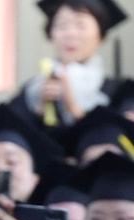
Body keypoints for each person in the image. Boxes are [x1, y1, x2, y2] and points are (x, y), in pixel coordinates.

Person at [21, 0, 126, 129]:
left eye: (81, 26)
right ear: (50, 34)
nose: (70, 34)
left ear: (101, 36)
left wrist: (73, 107)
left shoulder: (120, 92)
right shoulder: (34, 89)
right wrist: (40, 109)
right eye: (62, 26)